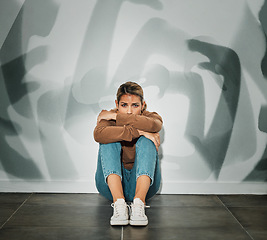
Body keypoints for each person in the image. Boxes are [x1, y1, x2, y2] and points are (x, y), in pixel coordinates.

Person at [94, 81, 163, 226]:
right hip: (110, 188)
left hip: (144, 187)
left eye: (135, 105)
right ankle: (119, 204)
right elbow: (98, 134)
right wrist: (140, 131)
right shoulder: (107, 119)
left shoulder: (150, 117)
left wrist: (118, 117)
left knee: (147, 141)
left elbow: (154, 125)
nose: (130, 111)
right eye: (124, 105)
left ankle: (139, 205)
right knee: (109, 139)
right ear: (117, 104)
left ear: (143, 105)